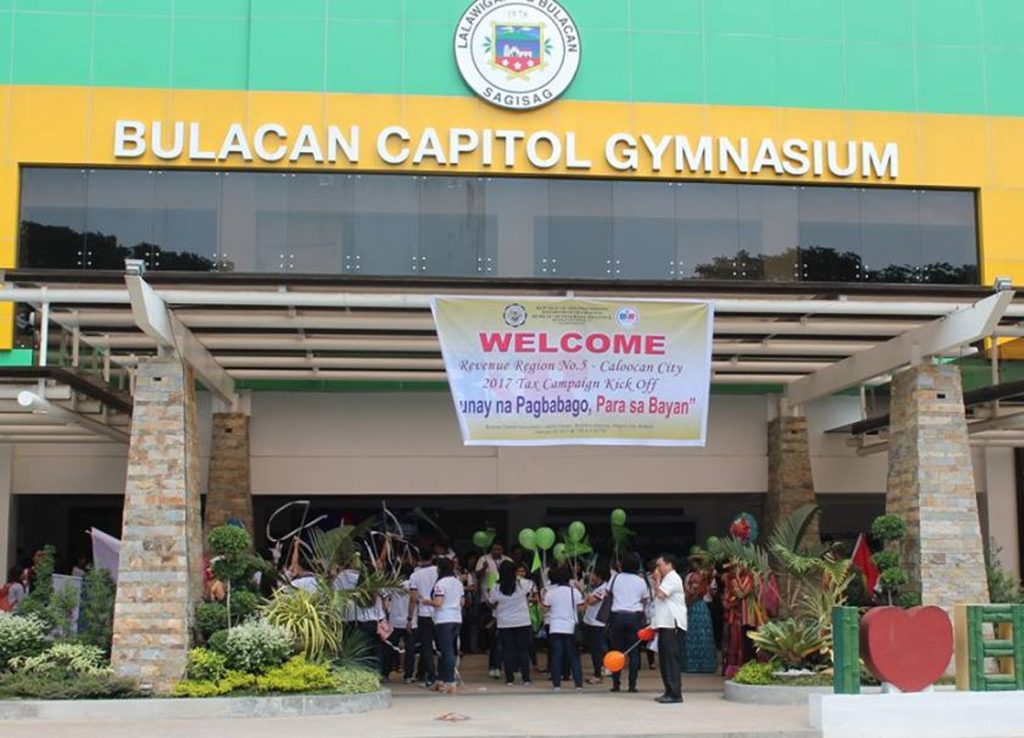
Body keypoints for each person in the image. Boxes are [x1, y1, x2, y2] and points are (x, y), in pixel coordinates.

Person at [488, 560, 535, 685]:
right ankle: (526, 678)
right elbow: (532, 590)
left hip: (504, 622)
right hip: (523, 621)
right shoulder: (524, 584)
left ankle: (509, 679)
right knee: (523, 650)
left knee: (508, 650)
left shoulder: (496, 587)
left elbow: (491, 602)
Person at [607, 552, 649, 693]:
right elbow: (645, 599)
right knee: (634, 652)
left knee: (616, 650)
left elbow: (608, 594)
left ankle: (616, 683)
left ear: (622, 565)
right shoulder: (640, 581)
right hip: (634, 617)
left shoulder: (615, 578)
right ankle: (632, 685)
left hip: (617, 617)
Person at [651, 553, 688, 704]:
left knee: (671, 660)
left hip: (673, 624)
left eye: (659, 565)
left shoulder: (673, 577)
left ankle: (675, 693)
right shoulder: (667, 579)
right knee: (665, 660)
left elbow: (660, 594)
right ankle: (669, 690)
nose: (657, 569)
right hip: (664, 624)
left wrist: (657, 579)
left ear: (669, 564)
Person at [541, 565, 584, 692]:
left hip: (555, 627)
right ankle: (578, 685)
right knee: (574, 656)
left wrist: (540, 600)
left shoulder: (551, 593)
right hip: (570, 627)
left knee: (556, 656)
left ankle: (556, 685)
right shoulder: (574, 592)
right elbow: (581, 608)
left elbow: (545, 609)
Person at [429, 557, 465, 694]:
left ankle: (450, 681)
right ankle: (442, 679)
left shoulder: (440, 584)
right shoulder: (458, 582)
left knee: (446, 651)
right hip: (456, 618)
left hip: (443, 619)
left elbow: (438, 602)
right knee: (448, 650)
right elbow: (462, 602)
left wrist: (427, 602)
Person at [407, 549, 439, 688]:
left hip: (424, 614)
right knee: (442, 645)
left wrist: (409, 618)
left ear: (420, 558)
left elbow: (413, 599)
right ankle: (445, 675)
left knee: (426, 647)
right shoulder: (440, 571)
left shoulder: (415, 575)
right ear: (432, 557)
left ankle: (431, 676)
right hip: (440, 613)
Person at [384, 564, 417, 684]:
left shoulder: (394, 585)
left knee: (389, 648)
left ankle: (385, 673)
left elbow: (386, 600)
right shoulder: (413, 586)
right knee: (410, 649)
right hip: (410, 621)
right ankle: (408, 675)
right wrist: (409, 618)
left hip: (394, 621)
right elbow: (414, 601)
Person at [683, 561, 718, 674]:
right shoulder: (702, 576)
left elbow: (693, 592)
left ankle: (692, 665)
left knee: (694, 634)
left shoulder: (697, 576)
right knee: (702, 634)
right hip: (700, 606)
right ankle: (705, 665)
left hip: (695, 606)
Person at [582, 563, 610, 685]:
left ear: (599, 575)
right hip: (590, 621)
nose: (590, 576)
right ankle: (605, 668)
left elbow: (592, 601)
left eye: (592, 573)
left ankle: (598, 674)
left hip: (597, 623)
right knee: (597, 648)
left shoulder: (603, 588)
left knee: (596, 650)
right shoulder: (594, 587)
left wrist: (584, 592)